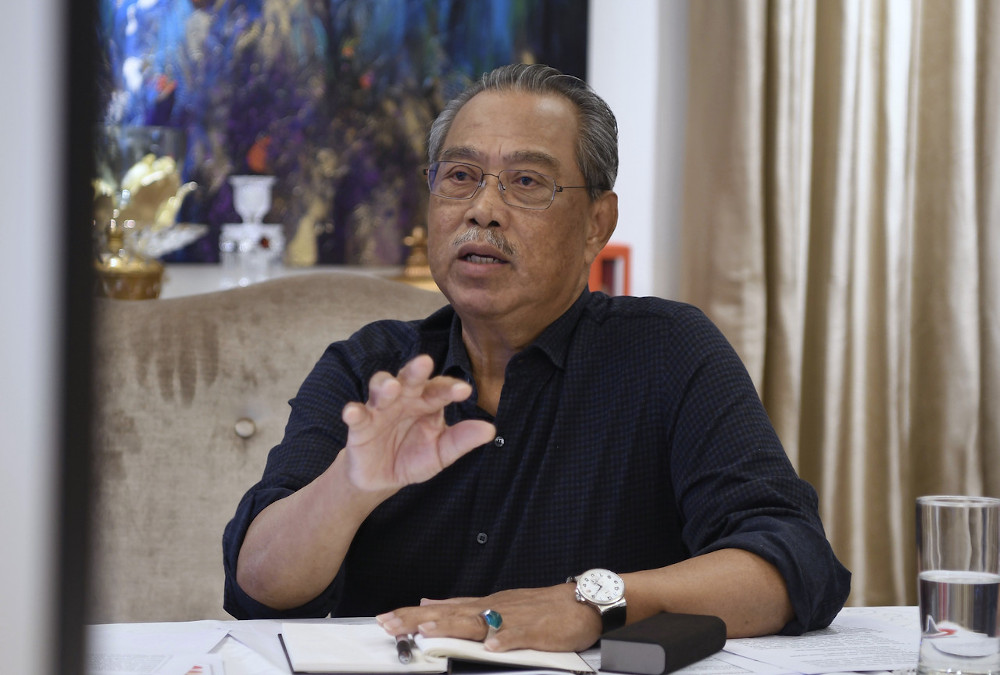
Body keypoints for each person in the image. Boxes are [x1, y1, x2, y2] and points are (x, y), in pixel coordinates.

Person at [222, 63, 850, 652]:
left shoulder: (668, 353)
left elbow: (791, 562)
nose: (482, 209)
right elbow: (257, 587)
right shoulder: (372, 369)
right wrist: (349, 487)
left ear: (595, 225)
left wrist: (590, 604)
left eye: (526, 182)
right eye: (460, 175)